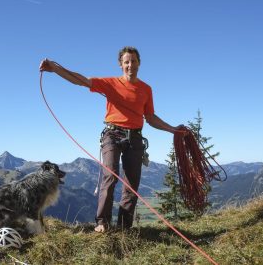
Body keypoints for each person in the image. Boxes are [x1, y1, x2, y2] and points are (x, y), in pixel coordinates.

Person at [39, 46, 185, 233]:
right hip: (112, 135)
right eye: (126, 62)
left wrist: (173, 130)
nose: (130, 65)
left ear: (139, 63)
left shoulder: (146, 89)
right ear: (121, 65)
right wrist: (55, 69)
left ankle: (124, 227)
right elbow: (82, 81)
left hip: (135, 136)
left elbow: (150, 118)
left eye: (133, 61)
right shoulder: (111, 83)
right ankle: (102, 223)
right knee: (111, 174)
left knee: (132, 182)